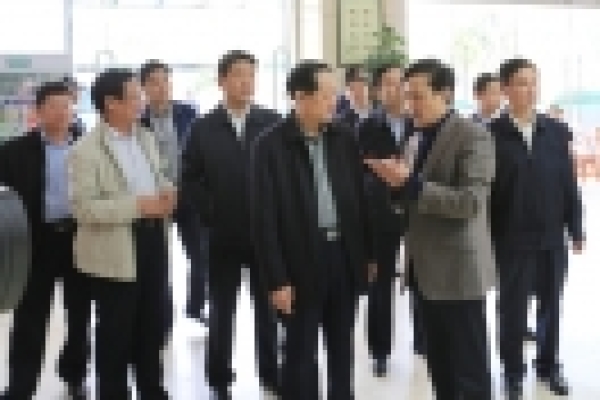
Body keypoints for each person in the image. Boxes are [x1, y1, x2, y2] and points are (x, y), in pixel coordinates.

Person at [365, 58, 495, 400]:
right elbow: (408, 200)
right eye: (408, 96)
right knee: (441, 368)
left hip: (458, 272)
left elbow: (470, 202)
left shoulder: (473, 135)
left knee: (470, 372)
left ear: (445, 94)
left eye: (418, 96)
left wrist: (411, 185)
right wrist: (395, 187)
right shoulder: (414, 137)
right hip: (423, 271)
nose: (410, 104)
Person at [250, 60, 376, 400]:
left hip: (343, 256)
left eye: (335, 94)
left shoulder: (344, 138)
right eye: (326, 95)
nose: (334, 101)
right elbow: (263, 220)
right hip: (299, 261)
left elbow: (359, 202)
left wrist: (368, 255)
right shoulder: (270, 146)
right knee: (300, 353)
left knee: (342, 347)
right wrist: (276, 279)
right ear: (300, 97)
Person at [69, 68, 175, 399]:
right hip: (115, 250)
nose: (142, 100)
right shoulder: (85, 150)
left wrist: (168, 191)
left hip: (153, 240)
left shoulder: (145, 137)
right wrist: (138, 206)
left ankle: (152, 390)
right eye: (134, 96)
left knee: (153, 323)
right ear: (111, 103)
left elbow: (158, 177)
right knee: (116, 332)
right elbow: (84, 209)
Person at [180, 50, 280, 399]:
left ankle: (271, 372)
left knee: (267, 308)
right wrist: (212, 212)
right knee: (222, 309)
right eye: (238, 74)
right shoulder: (203, 127)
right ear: (222, 80)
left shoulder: (272, 122)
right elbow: (190, 177)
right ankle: (219, 378)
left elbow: (284, 175)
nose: (246, 81)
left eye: (251, 74)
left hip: (265, 234)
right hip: (221, 233)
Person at [490, 58, 584, 399]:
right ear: (505, 89)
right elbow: (486, 192)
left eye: (534, 82)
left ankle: (547, 365)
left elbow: (568, 182)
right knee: (512, 309)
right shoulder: (491, 135)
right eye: (521, 82)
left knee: (551, 305)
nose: (530, 90)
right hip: (511, 238)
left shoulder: (555, 131)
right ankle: (513, 371)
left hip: (551, 237)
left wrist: (576, 226)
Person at [0, 81, 89, 400]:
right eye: (54, 106)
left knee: (79, 314)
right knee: (30, 317)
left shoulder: (87, 148)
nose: (62, 112)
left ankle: (75, 375)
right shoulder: (13, 151)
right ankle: (20, 387)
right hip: (36, 242)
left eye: (67, 105)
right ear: (38, 111)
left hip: (80, 240)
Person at [138, 60, 209, 333]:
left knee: (199, 254)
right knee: (159, 259)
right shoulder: (138, 120)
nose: (162, 87)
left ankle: (195, 306)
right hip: (155, 198)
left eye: (166, 81)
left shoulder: (188, 112)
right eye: (155, 82)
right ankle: (162, 314)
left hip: (187, 194)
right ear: (144, 87)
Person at [356, 63, 410, 376]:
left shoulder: (420, 122)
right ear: (377, 90)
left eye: (401, 82)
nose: (396, 88)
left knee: (424, 280)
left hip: (418, 211)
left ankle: (425, 342)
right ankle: (379, 350)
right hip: (380, 212)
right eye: (388, 83)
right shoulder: (366, 126)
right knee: (380, 283)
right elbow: (359, 171)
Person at [335, 64, 371, 132]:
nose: (365, 84)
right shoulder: (339, 106)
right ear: (349, 84)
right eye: (361, 80)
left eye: (366, 80)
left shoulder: (371, 106)